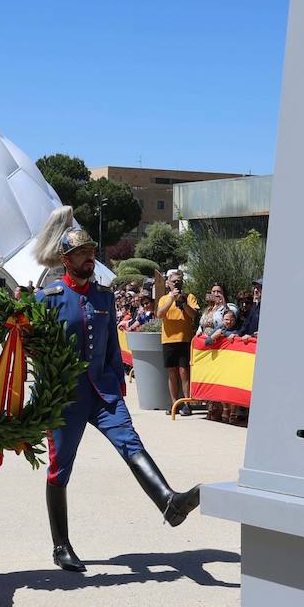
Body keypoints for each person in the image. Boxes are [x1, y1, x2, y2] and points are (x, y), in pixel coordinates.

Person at [31, 206, 199, 573]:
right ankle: (61, 546)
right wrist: (41, 398)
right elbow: (34, 350)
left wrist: (117, 385)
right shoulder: (48, 298)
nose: (90, 259)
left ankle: (168, 501)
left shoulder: (105, 296)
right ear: (66, 259)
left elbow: (109, 346)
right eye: (82, 254)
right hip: (65, 397)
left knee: (131, 443)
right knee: (60, 470)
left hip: (103, 392)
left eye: (92, 253)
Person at [157, 270, 199, 417]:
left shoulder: (190, 297)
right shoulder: (164, 299)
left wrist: (183, 303)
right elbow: (160, 314)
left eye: (178, 281)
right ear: (168, 283)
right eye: (173, 281)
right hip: (168, 339)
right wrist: (171, 299)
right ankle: (174, 403)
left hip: (184, 338)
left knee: (184, 371)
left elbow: (194, 315)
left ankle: (187, 403)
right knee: (172, 372)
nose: (176, 283)